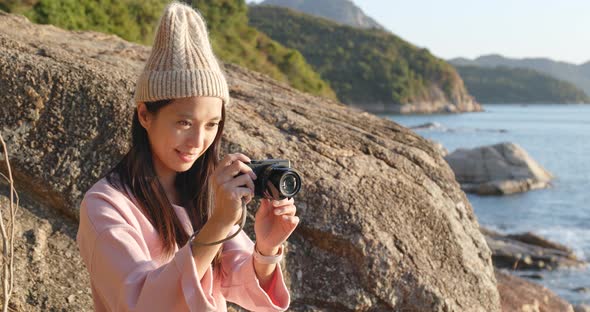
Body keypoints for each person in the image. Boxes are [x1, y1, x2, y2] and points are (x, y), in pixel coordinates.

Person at [76, 2, 299, 311]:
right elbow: (142, 303)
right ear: (144, 114)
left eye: (211, 125)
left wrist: (266, 246)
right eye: (184, 123)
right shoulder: (104, 205)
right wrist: (219, 223)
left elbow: (239, 282)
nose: (198, 141)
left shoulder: (205, 193)